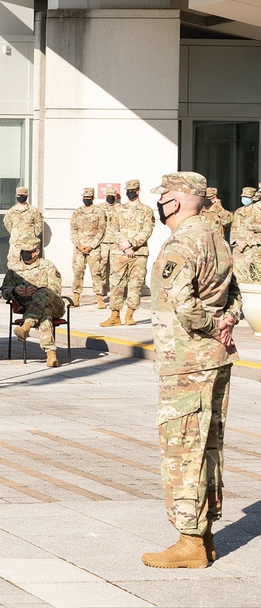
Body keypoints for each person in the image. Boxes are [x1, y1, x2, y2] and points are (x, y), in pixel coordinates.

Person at [141, 171, 241, 570]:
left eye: (163, 195)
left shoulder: (182, 242)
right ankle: (206, 534)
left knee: (182, 448)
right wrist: (227, 321)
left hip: (187, 361)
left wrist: (213, 325)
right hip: (213, 357)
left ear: (178, 199)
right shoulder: (216, 237)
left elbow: (183, 303)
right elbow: (235, 293)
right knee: (208, 446)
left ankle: (189, 541)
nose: (160, 202)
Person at [0, 236, 65, 368]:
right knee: (45, 315)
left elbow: (56, 289)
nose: (24, 254)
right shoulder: (14, 270)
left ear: (37, 251)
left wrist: (37, 290)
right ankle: (51, 354)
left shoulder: (47, 266)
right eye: (23, 251)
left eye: (28, 251)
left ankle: (26, 327)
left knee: (42, 293)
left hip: (54, 305)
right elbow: (4, 291)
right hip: (32, 308)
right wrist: (15, 290)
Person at [101, 179, 155, 327]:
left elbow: (147, 230)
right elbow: (112, 229)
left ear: (138, 191)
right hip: (119, 253)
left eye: (133, 190)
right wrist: (124, 245)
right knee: (116, 284)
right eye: (128, 190)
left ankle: (130, 315)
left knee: (135, 284)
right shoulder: (118, 209)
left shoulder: (146, 210)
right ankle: (114, 316)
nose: (130, 192)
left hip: (139, 254)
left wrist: (131, 243)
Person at [70, 187, 106, 307]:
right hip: (79, 248)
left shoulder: (99, 212)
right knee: (78, 272)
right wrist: (78, 245)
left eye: (88, 198)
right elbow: (73, 230)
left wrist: (92, 246)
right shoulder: (77, 212)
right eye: (84, 198)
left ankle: (99, 298)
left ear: (93, 198)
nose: (86, 199)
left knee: (96, 273)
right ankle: (76, 297)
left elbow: (101, 231)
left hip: (93, 248)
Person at [3, 186, 43, 267]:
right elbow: (8, 224)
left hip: (29, 245)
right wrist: (16, 234)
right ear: (16, 196)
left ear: (27, 196)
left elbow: (39, 226)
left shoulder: (34, 211)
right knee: (14, 269)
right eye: (19, 195)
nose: (20, 197)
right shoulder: (11, 211)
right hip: (15, 246)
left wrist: (31, 235)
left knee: (31, 269)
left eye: (22, 195)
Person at [97, 185, 122, 309]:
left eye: (112, 196)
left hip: (116, 244)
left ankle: (115, 295)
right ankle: (100, 297)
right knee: (100, 270)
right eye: (108, 196)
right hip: (102, 243)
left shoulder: (120, 208)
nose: (110, 198)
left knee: (115, 271)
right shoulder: (99, 208)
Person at [230, 186, 255, 280]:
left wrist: (247, 242)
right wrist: (237, 241)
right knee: (237, 272)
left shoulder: (257, 212)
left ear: (253, 198)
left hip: (251, 246)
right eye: (243, 196)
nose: (245, 199)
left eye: (247, 197)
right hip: (238, 247)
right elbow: (234, 228)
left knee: (251, 273)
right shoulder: (239, 211)